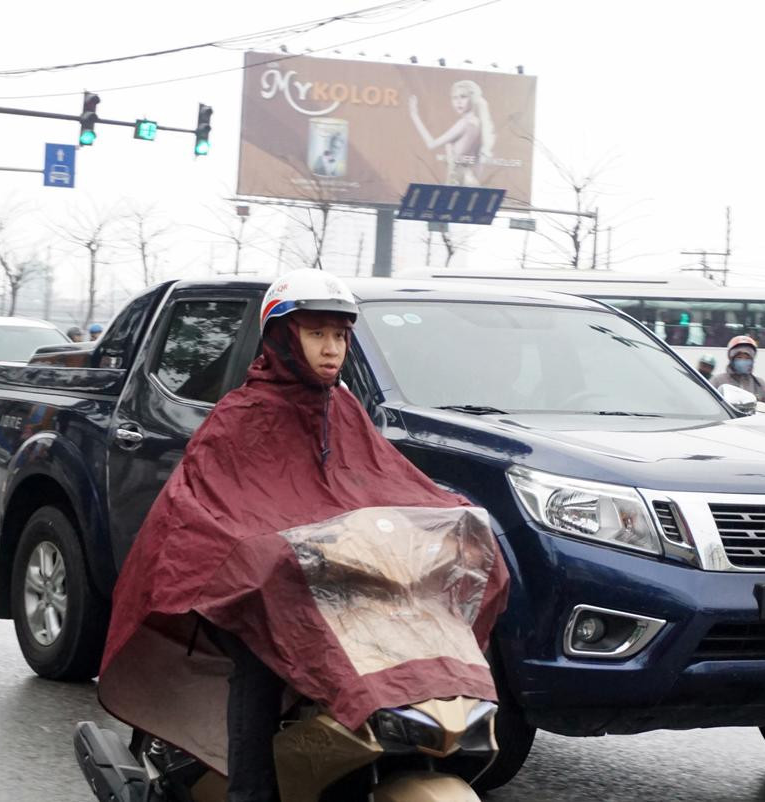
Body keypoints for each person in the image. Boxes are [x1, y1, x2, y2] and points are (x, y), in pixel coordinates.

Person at [97, 269, 508, 802]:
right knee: (259, 658)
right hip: (257, 595)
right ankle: (251, 790)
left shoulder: (344, 412)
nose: (331, 348)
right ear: (283, 338)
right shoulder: (241, 415)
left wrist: (457, 522)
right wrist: (263, 552)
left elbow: (390, 485)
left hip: (335, 590)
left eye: (339, 335)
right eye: (317, 334)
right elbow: (206, 511)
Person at [409, 80, 496, 186]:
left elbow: (431, 144)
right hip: (470, 181)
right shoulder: (478, 123)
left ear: (472, 98)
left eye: (463, 96)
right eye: (455, 98)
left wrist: (414, 115)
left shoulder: (464, 123)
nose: (458, 102)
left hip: (458, 182)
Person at [712, 335, 765, 410]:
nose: (743, 361)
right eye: (739, 358)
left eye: (747, 358)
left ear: (752, 361)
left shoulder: (759, 383)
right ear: (731, 359)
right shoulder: (718, 380)